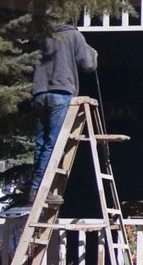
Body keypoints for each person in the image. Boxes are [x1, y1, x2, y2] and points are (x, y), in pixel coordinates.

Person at [30, 24, 98, 199]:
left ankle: (35, 188)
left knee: (41, 144)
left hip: (39, 93)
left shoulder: (40, 34)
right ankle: (41, 190)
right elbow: (88, 65)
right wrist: (93, 53)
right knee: (53, 144)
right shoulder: (73, 34)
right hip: (61, 92)